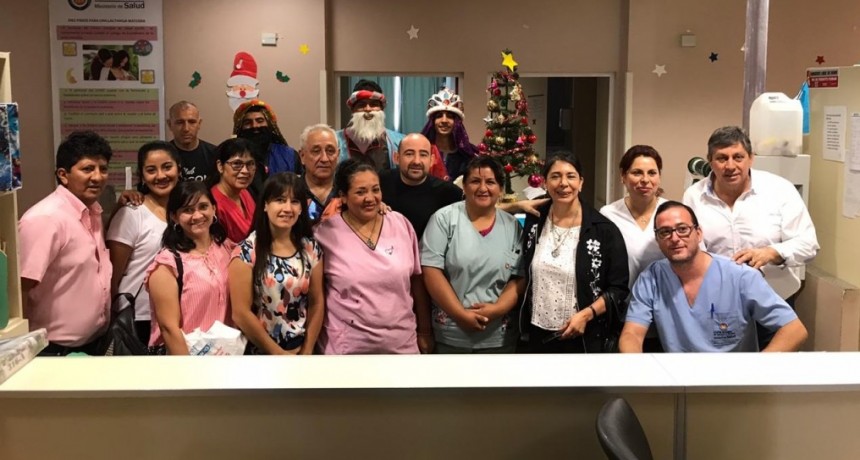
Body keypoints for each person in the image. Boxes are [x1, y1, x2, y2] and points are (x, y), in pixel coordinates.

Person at [683, 126, 819, 348]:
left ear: (751, 158)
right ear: (710, 161)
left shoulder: (779, 190)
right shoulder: (693, 196)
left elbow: (809, 244)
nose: (730, 166)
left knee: (772, 374)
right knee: (723, 374)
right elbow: (692, 248)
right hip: (719, 304)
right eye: (721, 158)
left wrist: (772, 253)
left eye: (738, 157)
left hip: (774, 299)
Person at [619, 201, 808, 352]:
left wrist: (755, 371)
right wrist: (639, 372)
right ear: (658, 240)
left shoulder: (740, 276)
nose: (675, 238)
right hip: (679, 384)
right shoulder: (651, 279)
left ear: (698, 233)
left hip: (732, 387)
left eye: (682, 229)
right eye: (665, 232)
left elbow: (795, 330)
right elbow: (632, 335)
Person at [314, 158, 431, 354]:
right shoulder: (324, 234)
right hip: (346, 349)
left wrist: (425, 331)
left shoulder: (401, 224)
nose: (370, 198)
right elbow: (316, 297)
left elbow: (417, 282)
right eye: (360, 192)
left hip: (401, 345)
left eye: (375, 190)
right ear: (342, 196)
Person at [517, 151, 629, 353]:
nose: (563, 183)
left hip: (583, 336)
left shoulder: (603, 230)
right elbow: (486, 207)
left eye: (570, 176)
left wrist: (586, 315)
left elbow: (618, 288)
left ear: (581, 182)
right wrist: (516, 204)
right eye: (555, 176)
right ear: (544, 183)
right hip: (536, 335)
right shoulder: (535, 220)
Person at [19, 131, 112, 355]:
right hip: (51, 351)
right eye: (88, 169)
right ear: (63, 175)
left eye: (103, 168)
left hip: (93, 345)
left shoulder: (93, 212)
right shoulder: (46, 219)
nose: (98, 177)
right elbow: (19, 290)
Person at [421, 156, 523, 353]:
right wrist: (460, 315)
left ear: (501, 189)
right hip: (452, 334)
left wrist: (498, 309)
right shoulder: (444, 220)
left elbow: (519, 277)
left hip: (499, 337)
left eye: (491, 182)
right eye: (475, 181)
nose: (483, 188)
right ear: (464, 187)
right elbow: (431, 271)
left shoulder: (512, 226)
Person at [230, 173, 324, 355]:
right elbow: (240, 313)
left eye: (295, 201)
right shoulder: (247, 251)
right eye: (280, 200)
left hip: (302, 349)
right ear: (265, 205)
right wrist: (279, 355)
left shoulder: (311, 248)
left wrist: (307, 350)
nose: (287, 208)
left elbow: (317, 302)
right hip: (262, 352)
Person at [146, 181, 234, 355]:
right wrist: (190, 373)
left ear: (214, 209)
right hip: (187, 362)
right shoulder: (167, 265)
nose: (197, 215)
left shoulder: (226, 247)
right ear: (174, 217)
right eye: (187, 210)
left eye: (203, 207)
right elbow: (169, 329)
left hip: (227, 358)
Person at [106, 141, 180, 343]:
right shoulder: (132, 213)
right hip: (138, 317)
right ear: (142, 176)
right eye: (151, 170)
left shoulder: (186, 212)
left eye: (167, 167)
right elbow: (112, 274)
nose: (161, 176)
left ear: (178, 169)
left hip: (175, 313)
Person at [600, 145, 668, 351]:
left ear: (659, 177)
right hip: (622, 314)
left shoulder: (672, 213)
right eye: (637, 172)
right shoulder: (608, 215)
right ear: (623, 176)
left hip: (666, 313)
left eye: (652, 173)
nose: (645, 179)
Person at [379, 133, 463, 239]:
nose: (416, 161)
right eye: (409, 154)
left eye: (423, 155)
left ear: (432, 160)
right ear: (396, 158)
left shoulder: (449, 192)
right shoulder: (378, 182)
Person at [232, 99, 301, 198]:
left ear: (269, 124)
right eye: (248, 122)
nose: (255, 126)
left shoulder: (290, 155)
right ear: (240, 128)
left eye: (260, 121)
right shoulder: (232, 157)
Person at [335, 79, 405, 171]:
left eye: (373, 104)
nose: (368, 109)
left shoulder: (399, 141)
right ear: (353, 110)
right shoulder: (335, 140)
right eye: (361, 105)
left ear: (382, 109)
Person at [420, 87, 479, 181]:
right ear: (432, 122)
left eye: (450, 116)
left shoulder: (468, 156)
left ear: (457, 123)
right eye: (439, 116)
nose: (444, 120)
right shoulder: (422, 152)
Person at [210, 138, 256, 243]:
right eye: (237, 164)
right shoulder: (213, 203)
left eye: (250, 164)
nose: (245, 171)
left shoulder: (245, 192)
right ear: (220, 166)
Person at [167, 101, 217, 182]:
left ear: (199, 124)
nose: (186, 129)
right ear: (170, 124)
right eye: (180, 122)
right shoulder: (161, 156)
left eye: (192, 122)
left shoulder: (215, 154)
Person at [298, 124, 339, 221]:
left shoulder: (348, 192)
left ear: (338, 155)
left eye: (330, 151)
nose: (324, 159)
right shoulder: (291, 192)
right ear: (302, 156)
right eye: (316, 151)